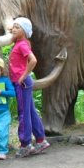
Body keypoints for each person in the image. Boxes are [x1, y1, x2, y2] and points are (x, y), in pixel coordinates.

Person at [9, 17, 50, 157]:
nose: (13, 29)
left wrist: (23, 75)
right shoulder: (19, 42)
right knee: (30, 111)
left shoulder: (22, 44)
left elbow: (33, 60)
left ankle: (25, 144)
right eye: (13, 27)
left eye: (17, 27)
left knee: (23, 113)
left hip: (23, 82)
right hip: (23, 82)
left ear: (25, 31)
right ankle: (40, 140)